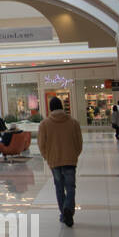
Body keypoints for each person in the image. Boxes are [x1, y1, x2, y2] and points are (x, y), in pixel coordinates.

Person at [37, 96, 83, 227]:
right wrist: (74, 154)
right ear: (62, 107)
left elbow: (41, 144)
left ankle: (64, 213)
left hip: (54, 161)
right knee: (71, 187)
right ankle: (68, 209)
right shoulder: (73, 122)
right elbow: (79, 142)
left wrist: (47, 156)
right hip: (70, 160)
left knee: (59, 188)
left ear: (50, 108)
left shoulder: (44, 124)